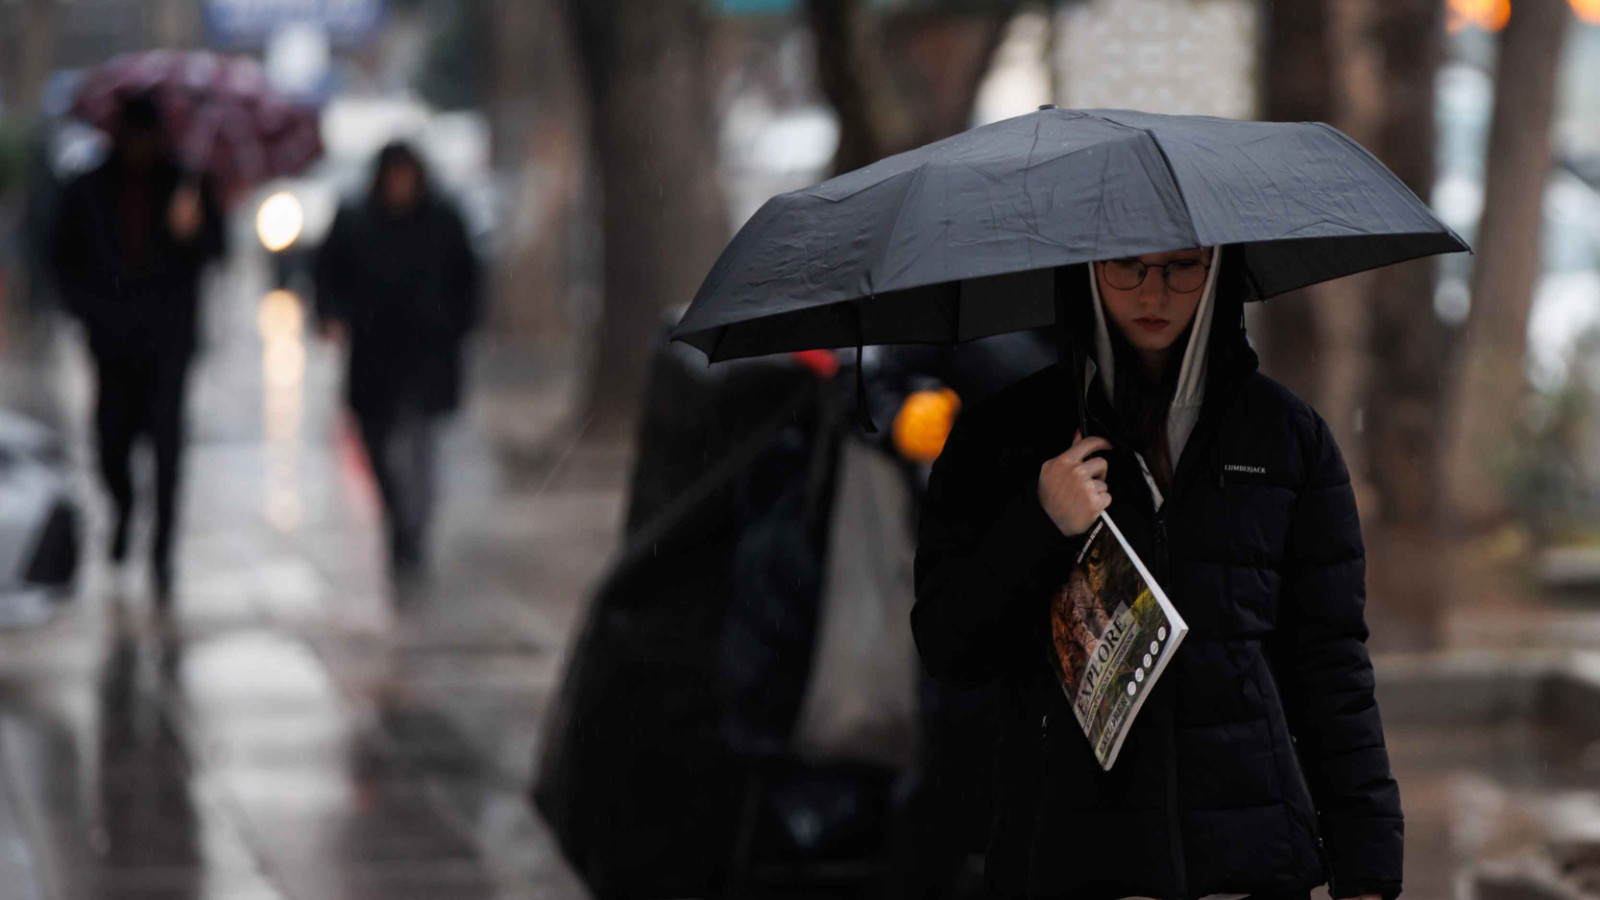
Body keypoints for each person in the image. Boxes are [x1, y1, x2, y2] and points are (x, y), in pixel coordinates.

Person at [912, 247, 1401, 900]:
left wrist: (1366, 871)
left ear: (1220, 266)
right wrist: (1040, 524)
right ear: (1086, 267)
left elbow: (1331, 666)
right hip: (1066, 862)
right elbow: (947, 645)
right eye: (1126, 265)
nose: (1153, 293)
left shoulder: (1286, 438)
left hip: (1250, 867)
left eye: (1182, 266)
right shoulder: (1004, 438)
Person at [50, 92, 226, 602]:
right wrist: (87, 311)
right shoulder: (87, 187)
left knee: (168, 449)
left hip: (168, 340)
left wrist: (194, 229)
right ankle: (123, 510)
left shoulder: (187, 182)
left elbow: (217, 252)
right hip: (110, 341)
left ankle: (162, 552)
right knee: (110, 443)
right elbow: (61, 256)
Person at [313, 142, 481, 576]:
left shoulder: (443, 219)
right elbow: (327, 273)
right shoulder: (355, 219)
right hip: (374, 354)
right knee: (377, 444)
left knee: (421, 448)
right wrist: (331, 315)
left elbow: (468, 279)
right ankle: (398, 521)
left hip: (427, 352)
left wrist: (456, 325)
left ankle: (413, 534)